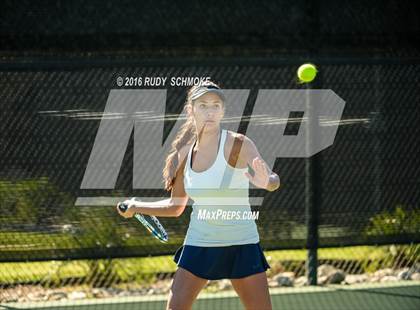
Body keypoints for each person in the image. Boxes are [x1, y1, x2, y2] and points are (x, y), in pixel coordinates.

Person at [117, 81, 280, 310]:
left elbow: (273, 179)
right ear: (190, 110)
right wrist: (136, 205)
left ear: (222, 111)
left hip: (241, 243)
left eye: (215, 106)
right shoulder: (184, 155)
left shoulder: (238, 143)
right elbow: (176, 206)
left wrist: (268, 182)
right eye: (203, 105)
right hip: (199, 243)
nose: (210, 112)